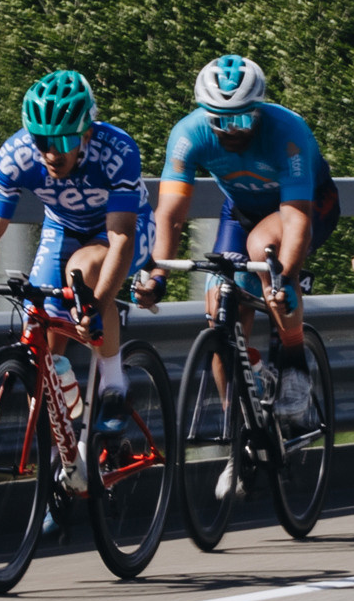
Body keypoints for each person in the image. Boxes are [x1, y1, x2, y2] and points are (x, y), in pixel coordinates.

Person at [140, 55, 340, 479]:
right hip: (242, 210)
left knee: (264, 250)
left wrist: (285, 275)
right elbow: (171, 215)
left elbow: (297, 219)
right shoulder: (188, 134)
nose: (232, 131)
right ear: (203, 114)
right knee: (218, 309)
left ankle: (294, 367)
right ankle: (241, 428)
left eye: (243, 120)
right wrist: (157, 273)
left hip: (306, 207)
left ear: (260, 108)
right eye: (220, 122)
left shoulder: (288, 133)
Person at [0, 69, 151, 485]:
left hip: (118, 231)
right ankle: (61, 464)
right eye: (42, 141)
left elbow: (120, 240)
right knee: (38, 329)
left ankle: (114, 385)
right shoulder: (16, 155)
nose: (51, 153)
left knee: (84, 273)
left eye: (62, 142)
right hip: (61, 228)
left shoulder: (116, 150)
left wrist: (96, 305)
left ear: (86, 134)